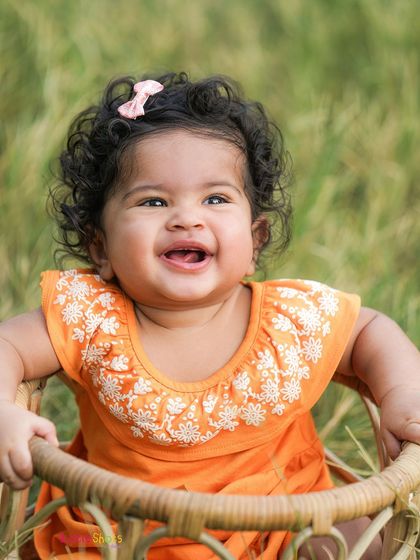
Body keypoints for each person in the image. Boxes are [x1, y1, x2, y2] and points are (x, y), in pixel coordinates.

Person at [0, 72, 419, 560]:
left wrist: (402, 392)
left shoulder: (288, 320)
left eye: (215, 199)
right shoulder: (92, 315)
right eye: (153, 201)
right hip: (119, 535)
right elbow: (9, 345)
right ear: (101, 248)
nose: (186, 217)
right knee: (59, 546)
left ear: (254, 243)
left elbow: (370, 331)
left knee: (358, 544)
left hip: (285, 526)